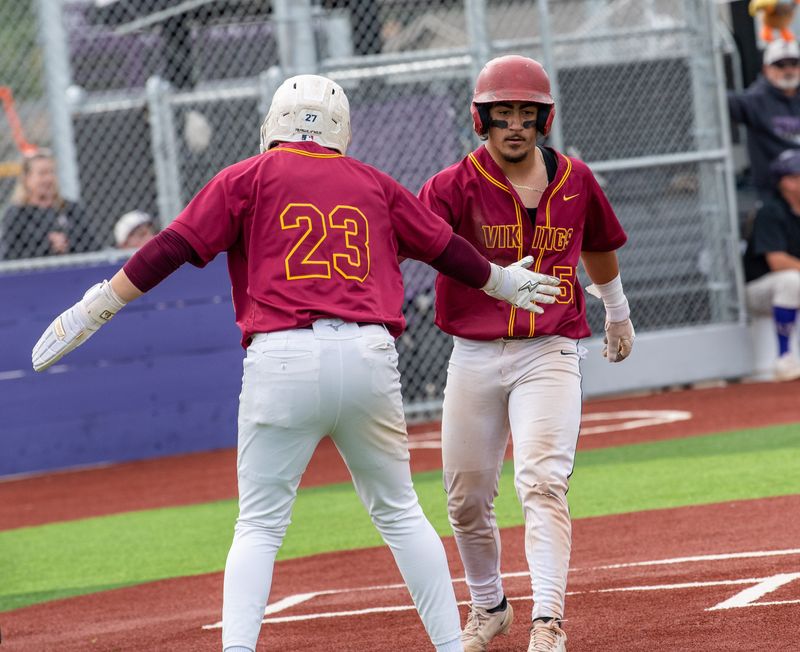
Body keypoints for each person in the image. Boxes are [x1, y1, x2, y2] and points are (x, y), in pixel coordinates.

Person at [31, 74, 562, 652]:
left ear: (274, 123)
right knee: (401, 513)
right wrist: (502, 280)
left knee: (258, 526)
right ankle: (451, 647)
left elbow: (171, 248)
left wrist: (98, 305)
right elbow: (444, 248)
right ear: (341, 129)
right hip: (368, 354)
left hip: (281, 356)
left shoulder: (246, 177)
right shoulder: (373, 183)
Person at [418, 55, 634, 652]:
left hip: (551, 349)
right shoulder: (449, 186)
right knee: (464, 498)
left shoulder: (576, 178)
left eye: (526, 113)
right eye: (502, 113)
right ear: (480, 119)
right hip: (474, 352)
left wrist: (615, 308)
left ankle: (548, 620)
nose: (515, 123)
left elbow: (599, 244)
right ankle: (489, 605)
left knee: (541, 481)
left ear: (545, 119)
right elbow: (419, 243)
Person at [743, 148, 800, 381]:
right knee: (791, 280)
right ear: (786, 182)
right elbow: (777, 262)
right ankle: (784, 358)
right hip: (759, 291)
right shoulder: (771, 211)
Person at [728, 38, 800, 202]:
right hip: (774, 194)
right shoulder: (755, 100)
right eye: (780, 65)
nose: (788, 70)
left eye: (794, 63)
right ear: (766, 69)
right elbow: (722, 99)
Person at [1, 149, 98, 260]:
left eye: (52, 172)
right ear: (27, 179)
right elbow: (9, 255)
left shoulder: (70, 209)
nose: (49, 179)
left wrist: (67, 243)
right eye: (42, 173)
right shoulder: (16, 214)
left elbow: (92, 246)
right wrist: (47, 245)